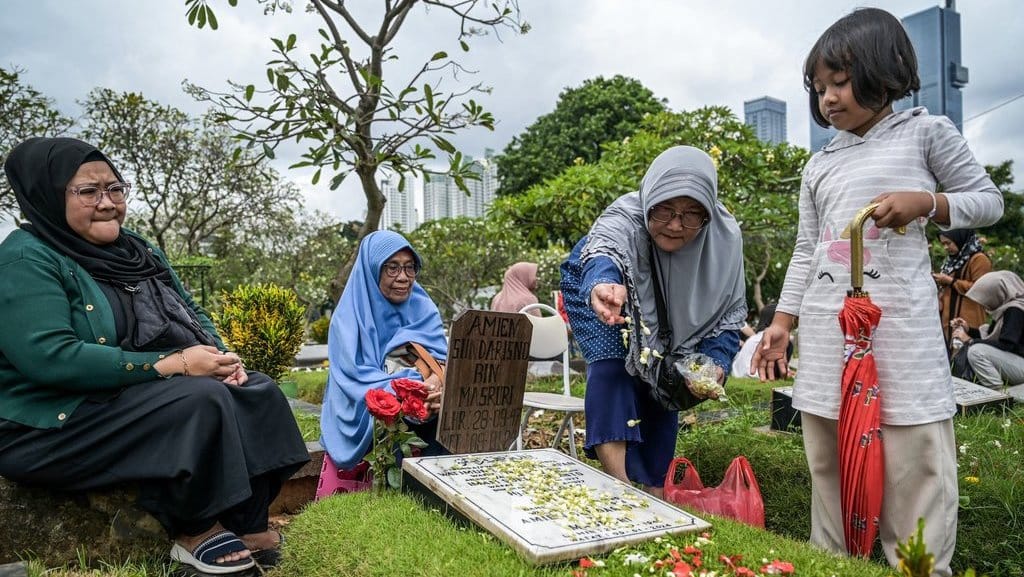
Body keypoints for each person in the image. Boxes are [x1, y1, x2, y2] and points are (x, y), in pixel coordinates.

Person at [751, 9, 1003, 576]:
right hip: (826, 329)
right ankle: (833, 562)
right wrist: (783, 321)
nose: (829, 99)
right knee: (829, 458)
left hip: (901, 338)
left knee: (912, 463)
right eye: (819, 88)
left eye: (840, 82)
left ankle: (917, 567)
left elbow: (989, 200)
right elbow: (806, 247)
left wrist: (928, 203)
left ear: (883, 71)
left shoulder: (926, 132)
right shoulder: (820, 164)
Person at [0, 137, 309, 574]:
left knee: (258, 390)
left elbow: (191, 312)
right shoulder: (25, 258)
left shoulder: (137, 250)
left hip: (123, 398)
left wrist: (223, 358)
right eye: (88, 191)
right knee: (200, 401)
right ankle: (195, 530)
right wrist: (172, 365)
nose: (107, 203)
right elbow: (51, 357)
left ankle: (248, 522)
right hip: (51, 424)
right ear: (47, 195)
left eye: (115, 188)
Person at [560, 146, 746, 497]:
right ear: (650, 199)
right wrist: (604, 282)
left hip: (672, 320)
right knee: (614, 365)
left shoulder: (725, 239)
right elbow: (605, 249)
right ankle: (619, 484)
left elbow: (727, 317)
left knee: (665, 379)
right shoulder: (625, 216)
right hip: (608, 290)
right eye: (665, 210)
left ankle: (654, 485)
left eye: (692, 215)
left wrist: (716, 366)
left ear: (708, 215)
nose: (676, 225)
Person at [319, 230, 448, 483]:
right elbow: (355, 376)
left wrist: (435, 383)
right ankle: (398, 492)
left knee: (444, 415)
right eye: (392, 268)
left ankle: (442, 494)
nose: (403, 278)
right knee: (396, 418)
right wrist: (411, 388)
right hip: (365, 406)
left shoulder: (423, 307)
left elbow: (440, 356)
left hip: (426, 401)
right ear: (372, 269)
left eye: (410, 268)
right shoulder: (347, 320)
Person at [951, 271, 1024, 389]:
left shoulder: (1015, 310)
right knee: (976, 347)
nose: (984, 305)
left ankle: (998, 394)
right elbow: (991, 335)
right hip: (1019, 363)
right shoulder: (1006, 309)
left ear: (998, 294)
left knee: (976, 351)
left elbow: (1006, 344)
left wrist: (970, 340)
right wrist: (968, 329)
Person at [933, 229, 991, 354]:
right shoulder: (952, 260)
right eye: (943, 244)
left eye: (948, 243)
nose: (946, 247)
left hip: (969, 316)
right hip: (949, 317)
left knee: (965, 356)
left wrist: (950, 281)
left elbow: (981, 288)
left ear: (959, 239)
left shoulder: (979, 259)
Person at [731, 303, 792, 378]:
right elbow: (749, 371)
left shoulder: (755, 338)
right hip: (749, 375)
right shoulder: (761, 339)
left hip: (739, 373)